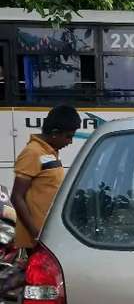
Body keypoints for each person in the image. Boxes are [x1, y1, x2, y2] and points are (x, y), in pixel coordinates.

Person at [11, 105, 81, 249]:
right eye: (68, 136)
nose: (70, 142)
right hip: (39, 240)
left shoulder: (49, 152)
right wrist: (36, 234)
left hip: (50, 235)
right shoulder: (33, 152)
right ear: (55, 133)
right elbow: (17, 197)